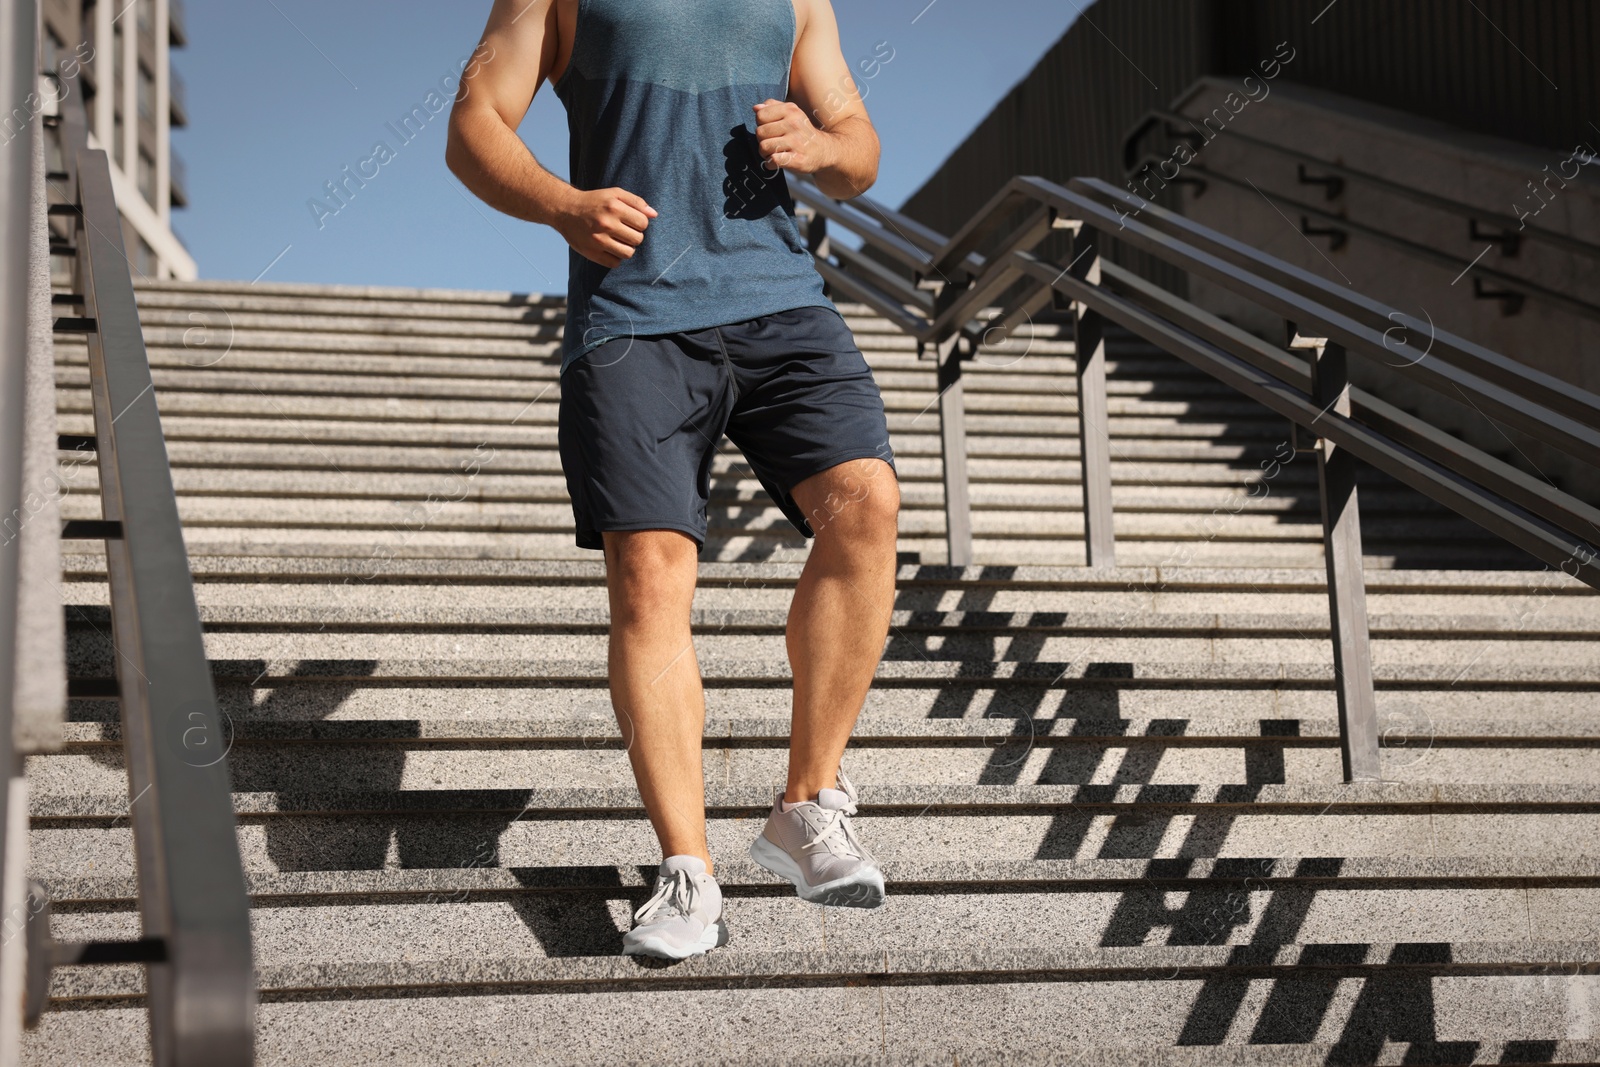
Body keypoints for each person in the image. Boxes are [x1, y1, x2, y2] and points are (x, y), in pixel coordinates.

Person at [446, 0, 900, 961]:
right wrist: (564, 206)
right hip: (634, 318)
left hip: (782, 302)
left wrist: (821, 145)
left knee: (868, 506)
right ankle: (687, 869)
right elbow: (474, 124)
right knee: (651, 576)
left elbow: (861, 148)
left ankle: (806, 804)